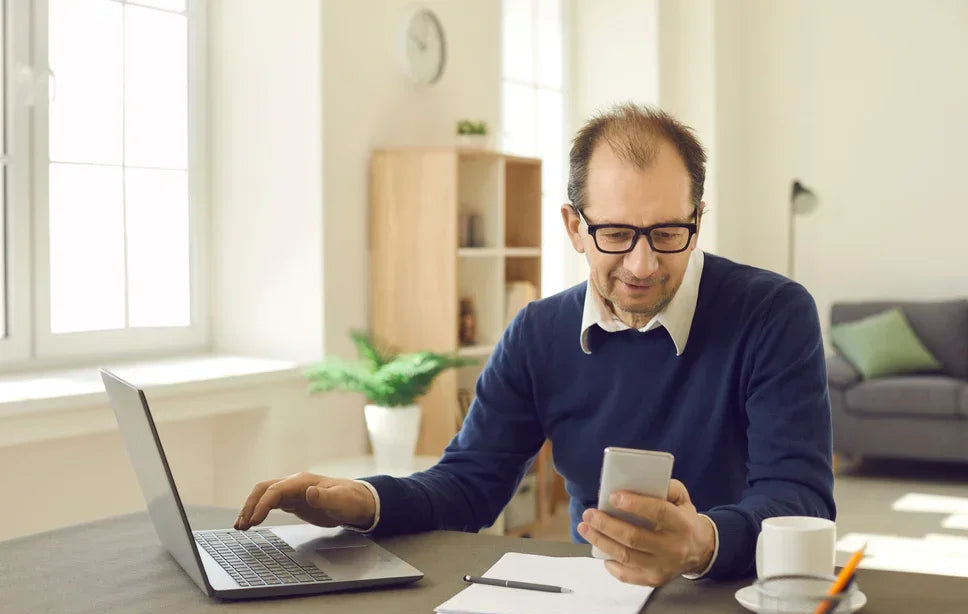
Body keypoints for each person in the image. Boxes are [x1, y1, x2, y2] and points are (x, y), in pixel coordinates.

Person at [234, 103, 835, 585]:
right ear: (575, 227)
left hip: (738, 598)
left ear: (698, 221)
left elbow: (799, 499)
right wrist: (364, 501)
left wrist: (700, 542)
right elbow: (470, 486)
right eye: (617, 233)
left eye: (669, 232)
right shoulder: (538, 332)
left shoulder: (772, 314)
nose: (643, 263)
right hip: (597, 605)